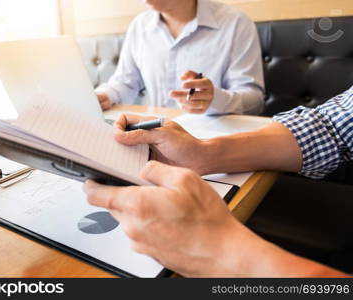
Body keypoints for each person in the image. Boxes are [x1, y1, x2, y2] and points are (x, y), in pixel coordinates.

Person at [83, 86, 353, 277]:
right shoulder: (141, 28)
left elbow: (253, 93)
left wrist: (225, 255)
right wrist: (204, 153)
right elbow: (331, 127)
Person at [95, 0, 264, 115]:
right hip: (154, 137)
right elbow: (125, 83)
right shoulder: (139, 26)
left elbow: (254, 101)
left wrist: (215, 99)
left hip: (213, 141)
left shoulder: (236, 23)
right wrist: (105, 96)